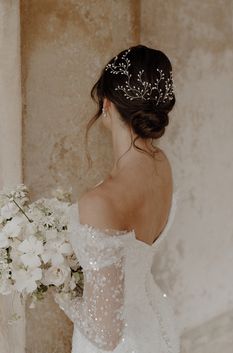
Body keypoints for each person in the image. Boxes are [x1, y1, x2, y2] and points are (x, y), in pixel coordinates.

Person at [54, 44, 180, 353]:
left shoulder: (101, 201)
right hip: (154, 329)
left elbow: (105, 332)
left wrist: (56, 284)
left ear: (107, 105)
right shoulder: (161, 164)